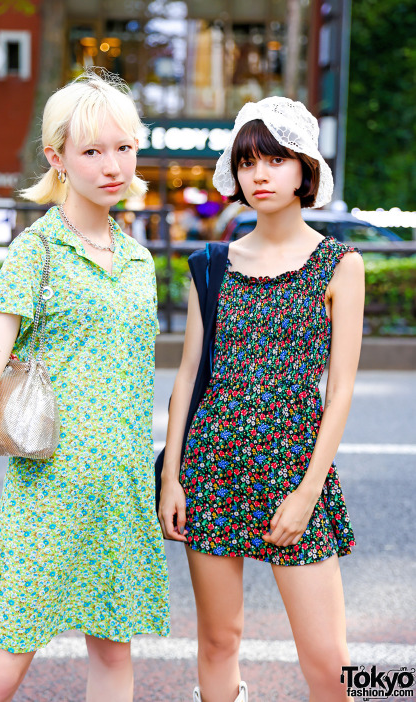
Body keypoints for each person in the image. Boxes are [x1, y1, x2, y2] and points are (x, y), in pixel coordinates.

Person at [0, 70, 169, 702]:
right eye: (92, 151)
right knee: (4, 665)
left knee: (113, 656)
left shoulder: (139, 259)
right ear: (58, 158)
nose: (113, 165)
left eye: (124, 148)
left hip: (119, 492)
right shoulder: (36, 251)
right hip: (47, 493)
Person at [158, 97, 364, 702]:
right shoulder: (212, 264)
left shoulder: (337, 264)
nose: (261, 175)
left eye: (276, 159)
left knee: (329, 661)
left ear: (304, 169)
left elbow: (340, 389)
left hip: (292, 473)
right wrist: (172, 478)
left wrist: (307, 491)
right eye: (248, 162)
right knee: (219, 641)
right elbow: (189, 372)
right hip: (211, 468)